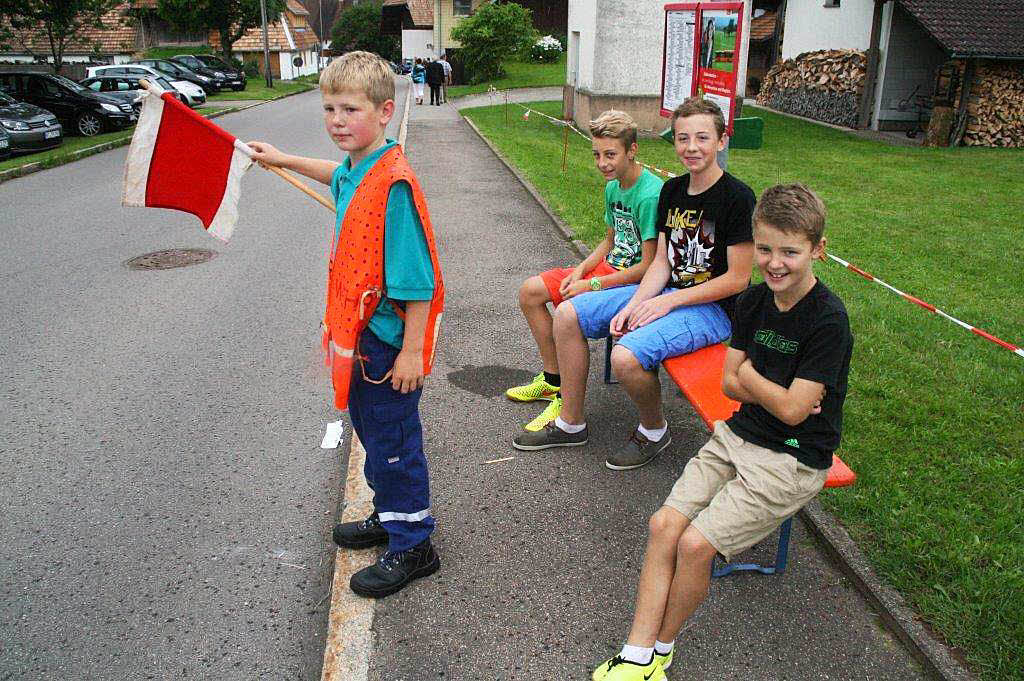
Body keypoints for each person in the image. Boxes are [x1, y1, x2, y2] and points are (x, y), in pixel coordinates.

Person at [588, 183, 853, 681]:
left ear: (818, 250)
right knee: (663, 526)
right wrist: (769, 388)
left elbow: (796, 414)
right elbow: (733, 384)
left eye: (790, 252)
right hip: (739, 434)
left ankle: (661, 650)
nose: (776, 263)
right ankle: (636, 654)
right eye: (767, 249)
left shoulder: (828, 320)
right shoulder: (753, 302)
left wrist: (760, 382)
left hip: (791, 459)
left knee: (694, 545)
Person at [247, 51, 444, 599]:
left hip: (386, 343)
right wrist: (283, 159)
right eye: (329, 108)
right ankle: (389, 514)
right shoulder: (361, 167)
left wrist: (411, 353)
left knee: (395, 440)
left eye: (350, 109)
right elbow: (337, 175)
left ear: (385, 112)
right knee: (371, 431)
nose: (336, 119)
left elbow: (417, 283)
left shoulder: (395, 184)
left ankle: (413, 543)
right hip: (356, 339)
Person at [512, 97, 755, 472]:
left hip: (712, 309)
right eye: (682, 138)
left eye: (702, 138)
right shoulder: (672, 192)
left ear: (721, 141)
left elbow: (738, 279)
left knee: (625, 357)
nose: (691, 147)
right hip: (666, 291)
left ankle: (654, 430)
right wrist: (634, 303)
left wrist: (666, 303)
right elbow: (660, 262)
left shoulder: (738, 197)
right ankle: (570, 422)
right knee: (567, 313)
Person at [506, 110, 662, 432]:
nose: (602, 163)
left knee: (567, 309)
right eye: (596, 155)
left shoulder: (650, 195)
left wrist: (592, 287)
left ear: (632, 150)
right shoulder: (613, 187)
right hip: (609, 269)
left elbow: (647, 266)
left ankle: (567, 401)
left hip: (632, 282)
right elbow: (609, 242)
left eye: (610, 155)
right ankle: (552, 379)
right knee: (530, 293)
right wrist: (579, 271)